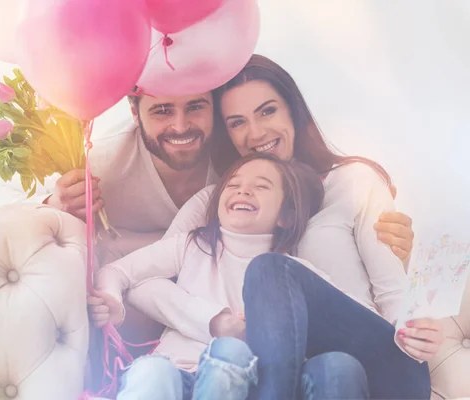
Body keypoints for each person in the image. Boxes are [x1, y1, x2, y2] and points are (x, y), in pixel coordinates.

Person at [114, 54, 443, 398]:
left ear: (293, 111)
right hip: (316, 377)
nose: (256, 133)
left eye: (267, 111)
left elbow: (393, 295)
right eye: (237, 122)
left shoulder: (354, 182)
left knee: (271, 270)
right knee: (332, 366)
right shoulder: (219, 202)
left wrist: (417, 325)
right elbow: (144, 282)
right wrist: (216, 320)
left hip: (375, 364)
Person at [89, 153, 434, 400]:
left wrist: (408, 331)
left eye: (262, 186)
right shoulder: (192, 245)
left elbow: (351, 319)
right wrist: (113, 300)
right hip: (180, 372)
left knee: (237, 355)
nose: (242, 190)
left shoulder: (294, 274)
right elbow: (120, 272)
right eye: (233, 184)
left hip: (250, 381)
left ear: (285, 215)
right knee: (152, 371)